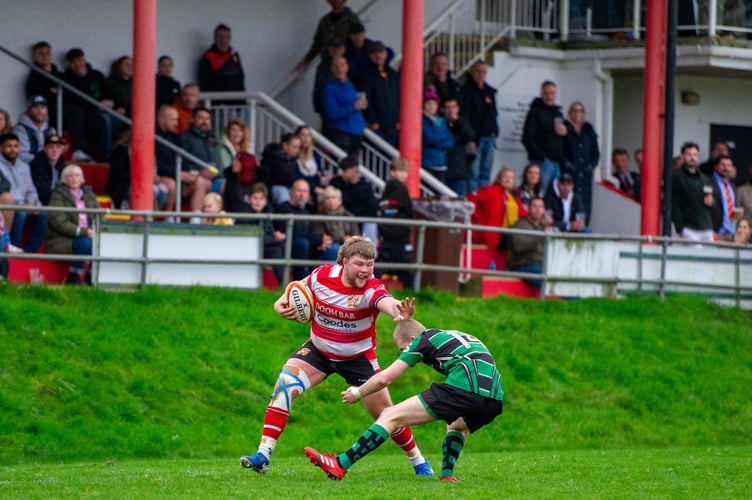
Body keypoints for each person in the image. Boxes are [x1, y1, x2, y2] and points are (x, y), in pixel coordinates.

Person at [241, 237, 434, 478]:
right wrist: (278, 304)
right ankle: (263, 455)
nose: (365, 270)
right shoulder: (322, 276)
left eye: (370, 264)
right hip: (319, 351)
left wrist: (400, 311)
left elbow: (387, 302)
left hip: (358, 359)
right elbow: (296, 288)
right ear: (344, 262)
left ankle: (418, 461)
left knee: (386, 414)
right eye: (359, 264)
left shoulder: (372, 289)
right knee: (284, 386)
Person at [304, 302, 501, 482]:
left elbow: (385, 378)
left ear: (413, 339)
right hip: (494, 398)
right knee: (457, 425)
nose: (404, 352)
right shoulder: (452, 335)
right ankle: (447, 475)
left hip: (465, 386)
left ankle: (339, 464)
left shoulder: (423, 340)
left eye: (402, 348)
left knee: (390, 415)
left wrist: (358, 392)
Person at [46, 164, 100, 284]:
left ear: (82, 179)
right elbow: (58, 222)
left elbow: (99, 216)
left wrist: (93, 230)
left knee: (101, 242)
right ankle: (74, 276)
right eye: (69, 176)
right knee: (85, 243)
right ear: (64, 179)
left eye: (77, 175)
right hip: (61, 239)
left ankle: (91, 276)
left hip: (88, 234)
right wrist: (84, 232)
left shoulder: (89, 195)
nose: (74, 178)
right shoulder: (58, 195)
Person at [0, 133, 47, 253]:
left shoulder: (24, 166)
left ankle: (29, 252)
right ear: (1, 148)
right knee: (20, 213)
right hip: (10, 206)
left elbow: (31, 190)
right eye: (9, 146)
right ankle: (12, 246)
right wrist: (22, 205)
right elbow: (6, 189)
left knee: (44, 214)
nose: (13, 149)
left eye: (16, 146)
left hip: (25, 205)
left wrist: (33, 204)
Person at [272, 178, 327, 281]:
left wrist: (322, 242)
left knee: (332, 250)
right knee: (302, 244)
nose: (302, 194)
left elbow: (309, 233)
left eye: (305, 191)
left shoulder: (307, 212)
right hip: (287, 247)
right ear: (291, 192)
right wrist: (317, 239)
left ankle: (319, 285)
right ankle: (300, 284)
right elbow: (291, 234)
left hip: (307, 246)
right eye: (299, 191)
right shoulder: (282, 209)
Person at [459, 60, 498, 192]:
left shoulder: (490, 91)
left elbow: (494, 114)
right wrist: (471, 138)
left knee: (485, 173)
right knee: (473, 173)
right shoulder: (465, 91)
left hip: (490, 138)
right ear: (472, 72)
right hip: (475, 139)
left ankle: (484, 200)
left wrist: (495, 131)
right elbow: (465, 116)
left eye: (483, 72)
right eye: (478, 71)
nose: (480, 75)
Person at [522, 80, 567, 191]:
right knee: (538, 194)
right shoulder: (535, 112)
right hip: (542, 162)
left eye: (552, 93)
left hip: (556, 162)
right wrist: (541, 156)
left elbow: (562, 137)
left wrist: (566, 133)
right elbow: (526, 137)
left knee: (554, 197)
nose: (549, 96)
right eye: (546, 93)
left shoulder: (558, 113)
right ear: (541, 94)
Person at [468, 167, 528, 249]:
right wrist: (479, 218)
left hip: (510, 233)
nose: (508, 180)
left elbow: (523, 214)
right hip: (495, 234)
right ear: (499, 179)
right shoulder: (489, 191)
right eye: (505, 176)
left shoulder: (515, 197)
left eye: (511, 178)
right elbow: (470, 200)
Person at [376, 157, 414, 287]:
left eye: (405, 171)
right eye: (400, 171)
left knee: (379, 267)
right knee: (405, 269)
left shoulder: (386, 190)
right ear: (392, 171)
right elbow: (408, 210)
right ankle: (413, 292)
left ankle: (368, 290)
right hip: (400, 234)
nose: (403, 174)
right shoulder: (402, 189)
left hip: (386, 234)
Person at [297, 0, 361, 71]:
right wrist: (307, 59)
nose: (335, 1)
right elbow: (317, 43)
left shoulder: (352, 18)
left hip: (346, 64)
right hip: (326, 63)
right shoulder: (324, 21)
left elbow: (359, 41)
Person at [671, 142, 714, 245]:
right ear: (682, 156)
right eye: (689, 154)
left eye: (695, 155)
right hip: (689, 227)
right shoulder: (676, 177)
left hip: (706, 226)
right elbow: (673, 204)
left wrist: (712, 201)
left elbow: (713, 200)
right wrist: (680, 227)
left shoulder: (705, 178)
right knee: (696, 258)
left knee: (711, 258)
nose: (692, 157)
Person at [563, 101, 599, 223]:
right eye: (574, 110)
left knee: (585, 202)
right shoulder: (565, 130)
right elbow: (560, 151)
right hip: (570, 174)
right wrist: (568, 165)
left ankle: (583, 226)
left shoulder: (588, 131)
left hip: (585, 174)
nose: (577, 113)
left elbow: (595, 153)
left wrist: (590, 166)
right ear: (569, 114)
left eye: (580, 111)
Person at [329, 155, 379, 242]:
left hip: (361, 223)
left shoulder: (365, 187)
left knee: (371, 224)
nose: (342, 173)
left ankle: (369, 252)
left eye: (345, 171)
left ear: (354, 170)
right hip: (342, 222)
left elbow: (372, 210)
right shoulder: (336, 183)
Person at [323, 56, 367, 155]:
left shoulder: (351, 84)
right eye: (336, 66)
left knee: (353, 165)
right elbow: (332, 113)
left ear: (347, 67)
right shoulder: (330, 88)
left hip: (357, 131)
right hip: (341, 132)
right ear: (332, 69)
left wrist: (362, 104)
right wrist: (354, 107)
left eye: (342, 66)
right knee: (343, 164)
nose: (339, 69)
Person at [359, 41, 400, 147]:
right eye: (374, 52)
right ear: (370, 55)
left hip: (393, 127)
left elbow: (399, 98)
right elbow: (364, 98)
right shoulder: (364, 75)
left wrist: (399, 119)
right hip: (377, 128)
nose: (378, 55)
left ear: (385, 54)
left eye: (380, 52)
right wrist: (372, 120)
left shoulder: (393, 74)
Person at [179, 107, 217, 218]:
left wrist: (214, 172)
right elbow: (182, 161)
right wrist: (200, 172)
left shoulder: (212, 138)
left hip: (211, 177)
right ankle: (196, 218)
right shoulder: (184, 137)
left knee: (226, 184)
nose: (204, 121)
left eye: (207, 118)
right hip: (190, 176)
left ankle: (229, 219)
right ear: (192, 119)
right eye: (200, 118)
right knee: (204, 182)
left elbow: (215, 161)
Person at [247, 182, 286, 285]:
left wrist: (275, 235)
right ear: (249, 199)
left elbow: (268, 232)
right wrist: (275, 239)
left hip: (265, 246)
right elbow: (256, 238)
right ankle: (285, 283)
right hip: (249, 248)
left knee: (282, 247)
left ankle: (287, 284)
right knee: (277, 248)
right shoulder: (245, 215)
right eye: (255, 198)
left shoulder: (267, 215)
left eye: (261, 199)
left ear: (265, 201)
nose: (258, 202)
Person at [507, 197, 548, 289]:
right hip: (522, 265)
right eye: (534, 206)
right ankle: (574, 300)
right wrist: (541, 235)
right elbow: (519, 246)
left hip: (540, 265)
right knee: (545, 278)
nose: (538, 210)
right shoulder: (520, 225)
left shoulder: (543, 227)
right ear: (528, 208)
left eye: (540, 207)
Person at [25, 41, 64, 127]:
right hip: (48, 114)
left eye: (47, 53)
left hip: (64, 110)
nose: (45, 56)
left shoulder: (61, 76)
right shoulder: (33, 79)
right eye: (41, 54)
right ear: (35, 56)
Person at [316, 185, 360, 261]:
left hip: (348, 249)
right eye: (327, 198)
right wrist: (344, 239)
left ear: (340, 200)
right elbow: (323, 238)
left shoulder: (349, 216)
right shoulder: (319, 217)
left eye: (333, 198)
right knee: (335, 248)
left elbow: (356, 237)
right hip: (328, 250)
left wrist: (351, 240)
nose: (330, 201)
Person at [420, 87, 454, 185]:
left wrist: (437, 140)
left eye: (434, 104)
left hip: (441, 163)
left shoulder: (441, 121)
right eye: (428, 103)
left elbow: (450, 141)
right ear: (424, 104)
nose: (431, 106)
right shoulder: (421, 120)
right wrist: (441, 140)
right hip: (427, 162)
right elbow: (429, 138)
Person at [198, 24, 245, 94]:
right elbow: (205, 84)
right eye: (220, 37)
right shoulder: (207, 58)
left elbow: (240, 76)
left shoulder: (234, 54)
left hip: (238, 101)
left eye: (226, 37)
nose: (223, 41)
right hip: (219, 102)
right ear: (215, 38)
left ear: (230, 39)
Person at [443, 97, 476, 197]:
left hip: (459, 167)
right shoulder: (441, 123)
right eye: (447, 107)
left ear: (458, 108)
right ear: (443, 110)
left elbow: (470, 136)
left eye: (453, 107)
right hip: (445, 166)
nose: (450, 110)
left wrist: (456, 121)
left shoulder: (463, 122)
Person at [344, 22, 394, 87]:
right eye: (354, 35)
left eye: (360, 34)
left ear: (364, 34)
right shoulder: (345, 50)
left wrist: (378, 61)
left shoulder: (371, 45)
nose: (358, 37)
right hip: (354, 83)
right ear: (350, 36)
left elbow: (389, 52)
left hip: (373, 78)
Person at [313, 38, 348, 130]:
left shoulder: (351, 65)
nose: (336, 50)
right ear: (329, 49)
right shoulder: (323, 66)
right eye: (333, 47)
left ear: (344, 49)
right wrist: (320, 109)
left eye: (339, 47)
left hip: (347, 112)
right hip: (328, 111)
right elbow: (319, 88)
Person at [259, 132, 302, 205]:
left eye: (298, 147)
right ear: (285, 145)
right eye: (294, 147)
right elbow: (288, 177)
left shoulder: (292, 159)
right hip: (271, 188)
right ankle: (285, 213)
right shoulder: (274, 158)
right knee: (283, 192)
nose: (297, 150)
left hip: (289, 186)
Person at [214, 117, 253, 196]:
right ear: (228, 132)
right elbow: (224, 171)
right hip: (223, 180)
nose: (237, 134)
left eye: (240, 131)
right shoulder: (222, 148)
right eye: (233, 130)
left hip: (242, 180)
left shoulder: (248, 147)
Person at [13, 95, 56, 164]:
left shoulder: (50, 130)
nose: (39, 111)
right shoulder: (20, 129)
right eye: (35, 107)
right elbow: (21, 155)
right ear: (29, 110)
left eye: (42, 107)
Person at [154, 105, 182, 212]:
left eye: (177, 119)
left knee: (199, 182)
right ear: (161, 119)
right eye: (172, 119)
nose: (176, 123)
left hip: (175, 174)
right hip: (159, 175)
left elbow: (183, 158)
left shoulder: (175, 138)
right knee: (171, 184)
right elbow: (157, 164)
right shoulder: (153, 136)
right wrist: (177, 173)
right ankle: (169, 216)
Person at [29, 133, 66, 206]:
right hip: (41, 204)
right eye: (51, 147)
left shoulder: (63, 165)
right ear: (44, 148)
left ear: (62, 149)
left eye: (58, 147)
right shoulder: (36, 165)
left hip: (58, 203)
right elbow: (43, 191)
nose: (54, 150)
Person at [710, 154, 738, 240]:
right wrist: (709, 229)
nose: (726, 168)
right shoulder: (708, 182)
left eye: (729, 165)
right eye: (723, 165)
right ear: (716, 167)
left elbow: (732, 208)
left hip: (731, 234)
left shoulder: (732, 186)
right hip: (715, 232)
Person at [295, 125, 326, 197]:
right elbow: (297, 176)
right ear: (297, 137)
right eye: (303, 135)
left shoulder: (315, 154)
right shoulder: (294, 155)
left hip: (316, 186)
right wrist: (316, 177)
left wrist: (321, 177)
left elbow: (320, 172)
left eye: (309, 135)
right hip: (301, 187)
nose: (306, 138)